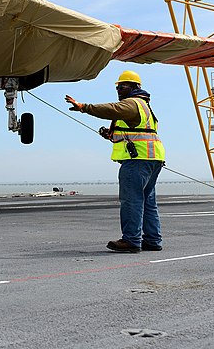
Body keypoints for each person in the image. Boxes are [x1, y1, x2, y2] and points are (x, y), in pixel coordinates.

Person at [65, 70, 165, 254]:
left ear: (135, 87)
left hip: (137, 161)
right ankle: (152, 240)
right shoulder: (144, 105)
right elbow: (135, 132)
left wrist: (84, 107)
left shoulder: (132, 104)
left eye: (123, 86)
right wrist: (110, 135)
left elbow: (111, 109)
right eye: (118, 86)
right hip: (153, 159)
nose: (119, 89)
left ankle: (131, 241)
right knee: (147, 201)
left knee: (131, 200)